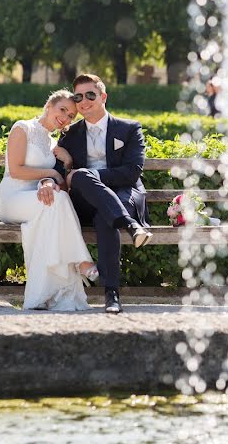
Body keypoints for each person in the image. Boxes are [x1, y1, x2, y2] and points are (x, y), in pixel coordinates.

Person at [53, 73, 152, 314]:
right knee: (81, 177)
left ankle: (112, 294)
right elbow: (58, 172)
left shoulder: (129, 129)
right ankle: (130, 226)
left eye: (90, 95)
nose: (84, 101)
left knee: (104, 216)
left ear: (103, 96)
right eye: (79, 97)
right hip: (84, 201)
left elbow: (132, 172)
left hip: (122, 195)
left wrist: (90, 175)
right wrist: (65, 168)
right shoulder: (69, 133)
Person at [0, 90, 97, 311]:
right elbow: (16, 170)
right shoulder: (23, 128)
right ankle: (80, 260)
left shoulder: (53, 145)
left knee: (56, 204)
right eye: (63, 110)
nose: (65, 118)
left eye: (71, 116)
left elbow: (60, 183)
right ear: (49, 106)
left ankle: (46, 294)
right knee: (56, 202)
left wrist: (66, 162)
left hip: (40, 200)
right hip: (12, 199)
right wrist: (51, 175)